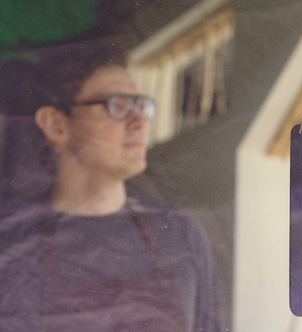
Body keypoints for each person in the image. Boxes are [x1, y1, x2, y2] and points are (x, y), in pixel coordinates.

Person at [0, 40, 221, 331]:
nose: (139, 122)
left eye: (141, 105)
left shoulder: (181, 234)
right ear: (56, 125)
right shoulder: (11, 244)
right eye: (117, 105)